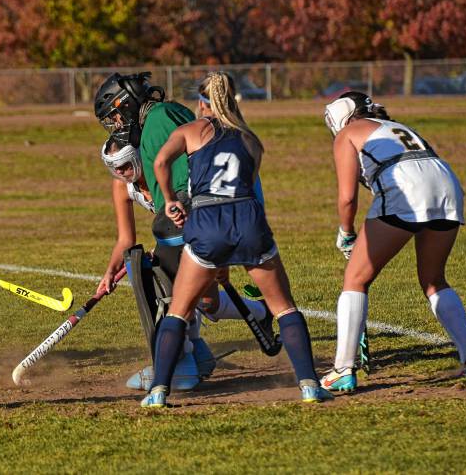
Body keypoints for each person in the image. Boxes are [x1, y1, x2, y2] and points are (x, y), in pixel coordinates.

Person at [142, 71, 332, 407]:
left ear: (202, 103)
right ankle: (309, 385)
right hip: (248, 220)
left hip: (206, 220)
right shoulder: (251, 140)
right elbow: (248, 186)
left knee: (179, 311)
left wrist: (171, 199)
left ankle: (158, 392)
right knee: (284, 307)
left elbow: (160, 161)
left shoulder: (191, 130)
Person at [94, 72, 273, 391]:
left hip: (193, 213)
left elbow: (182, 179)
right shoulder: (158, 119)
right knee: (204, 301)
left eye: (117, 115)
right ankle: (205, 351)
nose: (117, 124)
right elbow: (126, 237)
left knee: (156, 277)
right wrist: (110, 269)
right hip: (206, 214)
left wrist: (193, 229)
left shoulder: (159, 120)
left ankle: (179, 366)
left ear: (128, 104)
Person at [319, 91, 466, 393]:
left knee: (355, 279)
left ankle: (343, 369)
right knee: (434, 279)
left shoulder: (347, 134)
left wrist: (346, 232)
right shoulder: (398, 128)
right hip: (447, 186)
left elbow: (347, 197)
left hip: (407, 193)